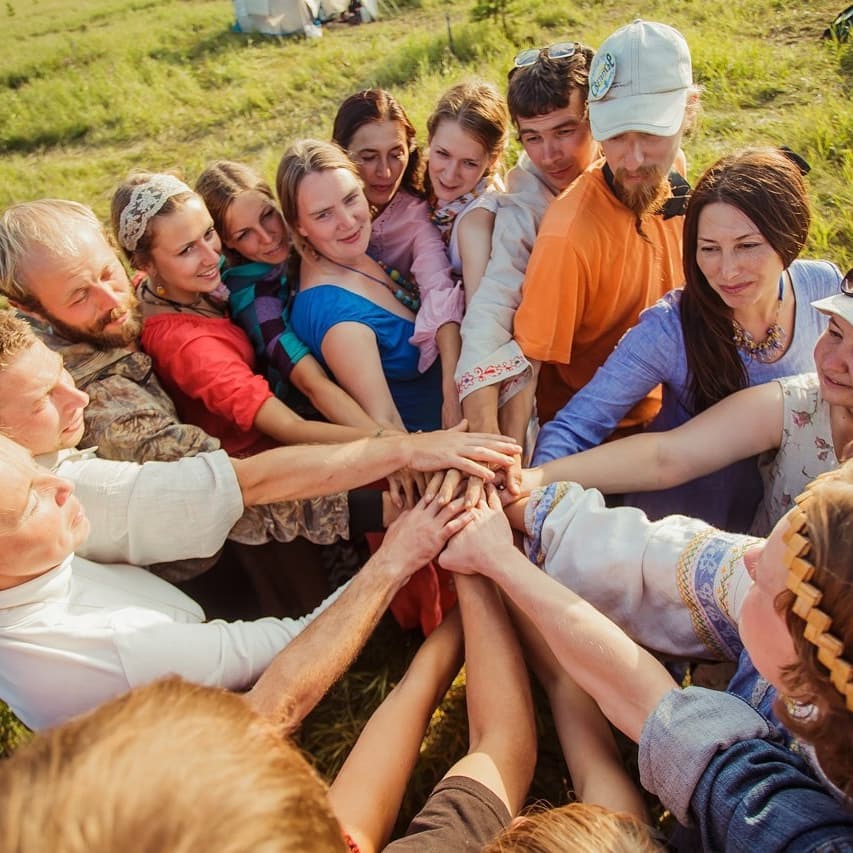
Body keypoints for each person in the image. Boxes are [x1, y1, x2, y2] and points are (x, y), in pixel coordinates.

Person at [440, 469, 853, 848]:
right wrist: (519, 521)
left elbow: (654, 707)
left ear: (809, 655)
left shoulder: (792, 834)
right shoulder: (822, 605)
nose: (748, 556)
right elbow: (661, 551)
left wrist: (497, 558)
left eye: (762, 579)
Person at [0, 431, 487, 732]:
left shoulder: (35, 557)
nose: (63, 485)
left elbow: (237, 484)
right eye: (29, 501)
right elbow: (279, 682)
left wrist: (404, 450)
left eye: (38, 468)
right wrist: (394, 559)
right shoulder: (108, 646)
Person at [532, 147, 841, 531]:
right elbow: (575, 428)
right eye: (709, 249)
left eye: (747, 245)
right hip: (677, 540)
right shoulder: (669, 327)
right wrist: (535, 516)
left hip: (790, 533)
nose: (727, 270)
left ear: (789, 236)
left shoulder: (825, 289)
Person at [522, 281, 853, 536]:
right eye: (835, 333)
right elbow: (666, 456)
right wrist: (530, 482)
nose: (836, 362)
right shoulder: (795, 404)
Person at [111, 171, 380, 459]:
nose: (213, 257)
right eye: (187, 250)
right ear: (145, 264)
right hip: (273, 460)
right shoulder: (188, 347)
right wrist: (393, 443)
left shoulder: (173, 286)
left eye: (208, 234)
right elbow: (290, 427)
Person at [513, 20, 697, 432]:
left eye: (651, 133)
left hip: (682, 401)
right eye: (614, 136)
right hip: (603, 432)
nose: (632, 160)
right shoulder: (567, 235)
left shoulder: (678, 178)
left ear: (689, 111)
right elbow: (526, 366)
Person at [456, 42, 599, 454]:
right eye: (532, 138)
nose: (549, 155)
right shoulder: (525, 201)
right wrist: (483, 428)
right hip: (571, 400)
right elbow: (496, 298)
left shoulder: (635, 164)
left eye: (565, 131)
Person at [196, 159, 378, 429]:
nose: (267, 238)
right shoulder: (256, 299)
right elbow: (314, 385)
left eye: (267, 215)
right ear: (228, 243)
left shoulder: (308, 232)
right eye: (245, 234)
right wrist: (392, 444)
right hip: (331, 418)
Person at [282, 139, 444, 434]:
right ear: (299, 226)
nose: (347, 222)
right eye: (323, 214)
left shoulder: (346, 252)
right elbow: (387, 426)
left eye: (350, 198)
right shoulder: (339, 319)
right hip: (446, 452)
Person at [332, 89, 463, 428]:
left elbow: (439, 288)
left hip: (402, 371)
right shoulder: (320, 205)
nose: (385, 172)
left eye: (396, 153)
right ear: (341, 154)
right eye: (368, 157)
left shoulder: (414, 216)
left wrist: (452, 390)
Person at [425, 80, 508, 301]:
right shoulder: (428, 187)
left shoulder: (475, 223)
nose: (450, 175)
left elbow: (478, 317)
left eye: (469, 163)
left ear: (492, 160)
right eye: (442, 154)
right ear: (429, 141)